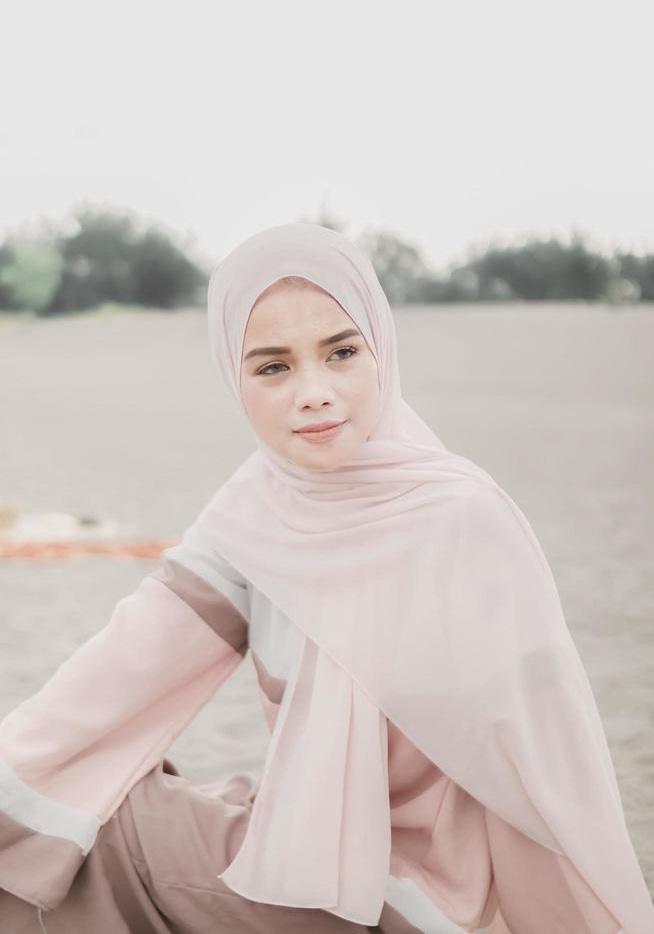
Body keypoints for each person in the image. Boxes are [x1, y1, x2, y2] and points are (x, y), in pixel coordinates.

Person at [0, 223, 652, 934]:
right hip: (309, 863)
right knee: (91, 787)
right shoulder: (250, 518)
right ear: (234, 380)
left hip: (419, 902)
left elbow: (546, 776)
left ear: (381, 353)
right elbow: (113, 680)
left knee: (98, 829)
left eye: (341, 353)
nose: (314, 393)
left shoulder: (460, 521)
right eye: (273, 368)